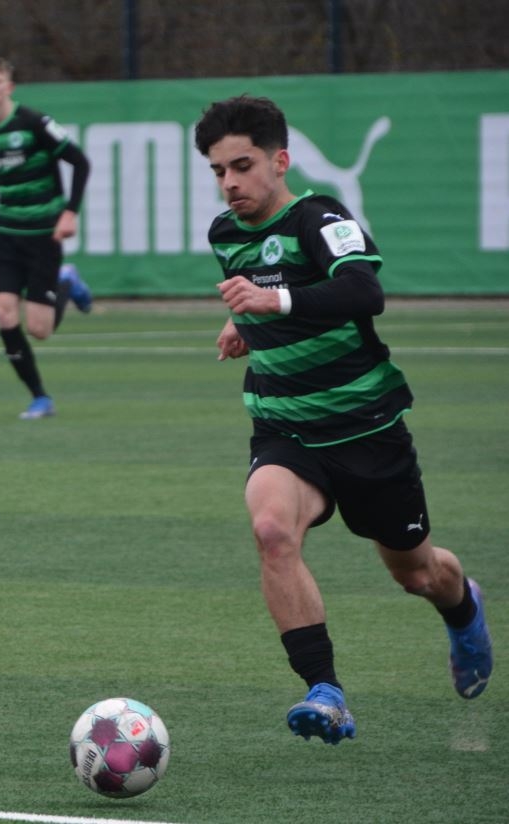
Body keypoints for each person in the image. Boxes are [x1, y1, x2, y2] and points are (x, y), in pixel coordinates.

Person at [193, 94, 492, 745]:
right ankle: (324, 692)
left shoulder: (320, 216)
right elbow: (260, 286)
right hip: (284, 428)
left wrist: (271, 303)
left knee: (416, 573)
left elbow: (362, 291)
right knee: (272, 530)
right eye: (217, 171)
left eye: (242, 166)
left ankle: (462, 605)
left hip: (366, 429)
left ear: (279, 161)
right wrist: (242, 320)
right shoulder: (224, 234)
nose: (229, 182)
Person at [0, 56, 93, 420]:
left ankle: (66, 279)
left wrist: (69, 212)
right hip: (6, 238)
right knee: (3, 313)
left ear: (9, 87)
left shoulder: (33, 123)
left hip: (44, 235)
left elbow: (80, 162)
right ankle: (40, 397)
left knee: (40, 330)